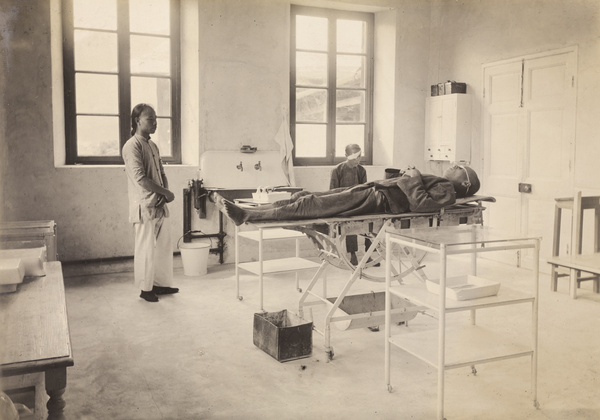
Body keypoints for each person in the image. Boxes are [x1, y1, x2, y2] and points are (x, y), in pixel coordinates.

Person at [222, 165, 480, 226]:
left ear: (464, 182)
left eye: (459, 167)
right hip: (375, 190)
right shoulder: (444, 183)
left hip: (380, 200)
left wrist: (412, 176)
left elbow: (422, 204)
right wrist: (406, 175)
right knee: (306, 196)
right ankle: (249, 212)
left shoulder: (447, 189)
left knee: (313, 204)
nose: (454, 165)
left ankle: (248, 216)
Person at [122, 103, 178, 302]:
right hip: (144, 205)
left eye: (156, 119)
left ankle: (160, 284)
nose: (155, 123)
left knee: (163, 245)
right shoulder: (132, 146)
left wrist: (165, 194)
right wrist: (166, 193)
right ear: (138, 121)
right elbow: (141, 179)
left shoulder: (153, 146)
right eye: (150, 119)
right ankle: (145, 289)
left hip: (159, 203)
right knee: (146, 248)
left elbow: (161, 173)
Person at [330, 144, 371, 265]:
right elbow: (332, 192)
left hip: (358, 203)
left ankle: (368, 254)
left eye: (359, 156)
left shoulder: (361, 170)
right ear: (346, 156)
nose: (357, 160)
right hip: (343, 205)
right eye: (354, 157)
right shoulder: (337, 170)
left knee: (370, 222)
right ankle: (352, 254)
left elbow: (365, 190)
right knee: (351, 224)